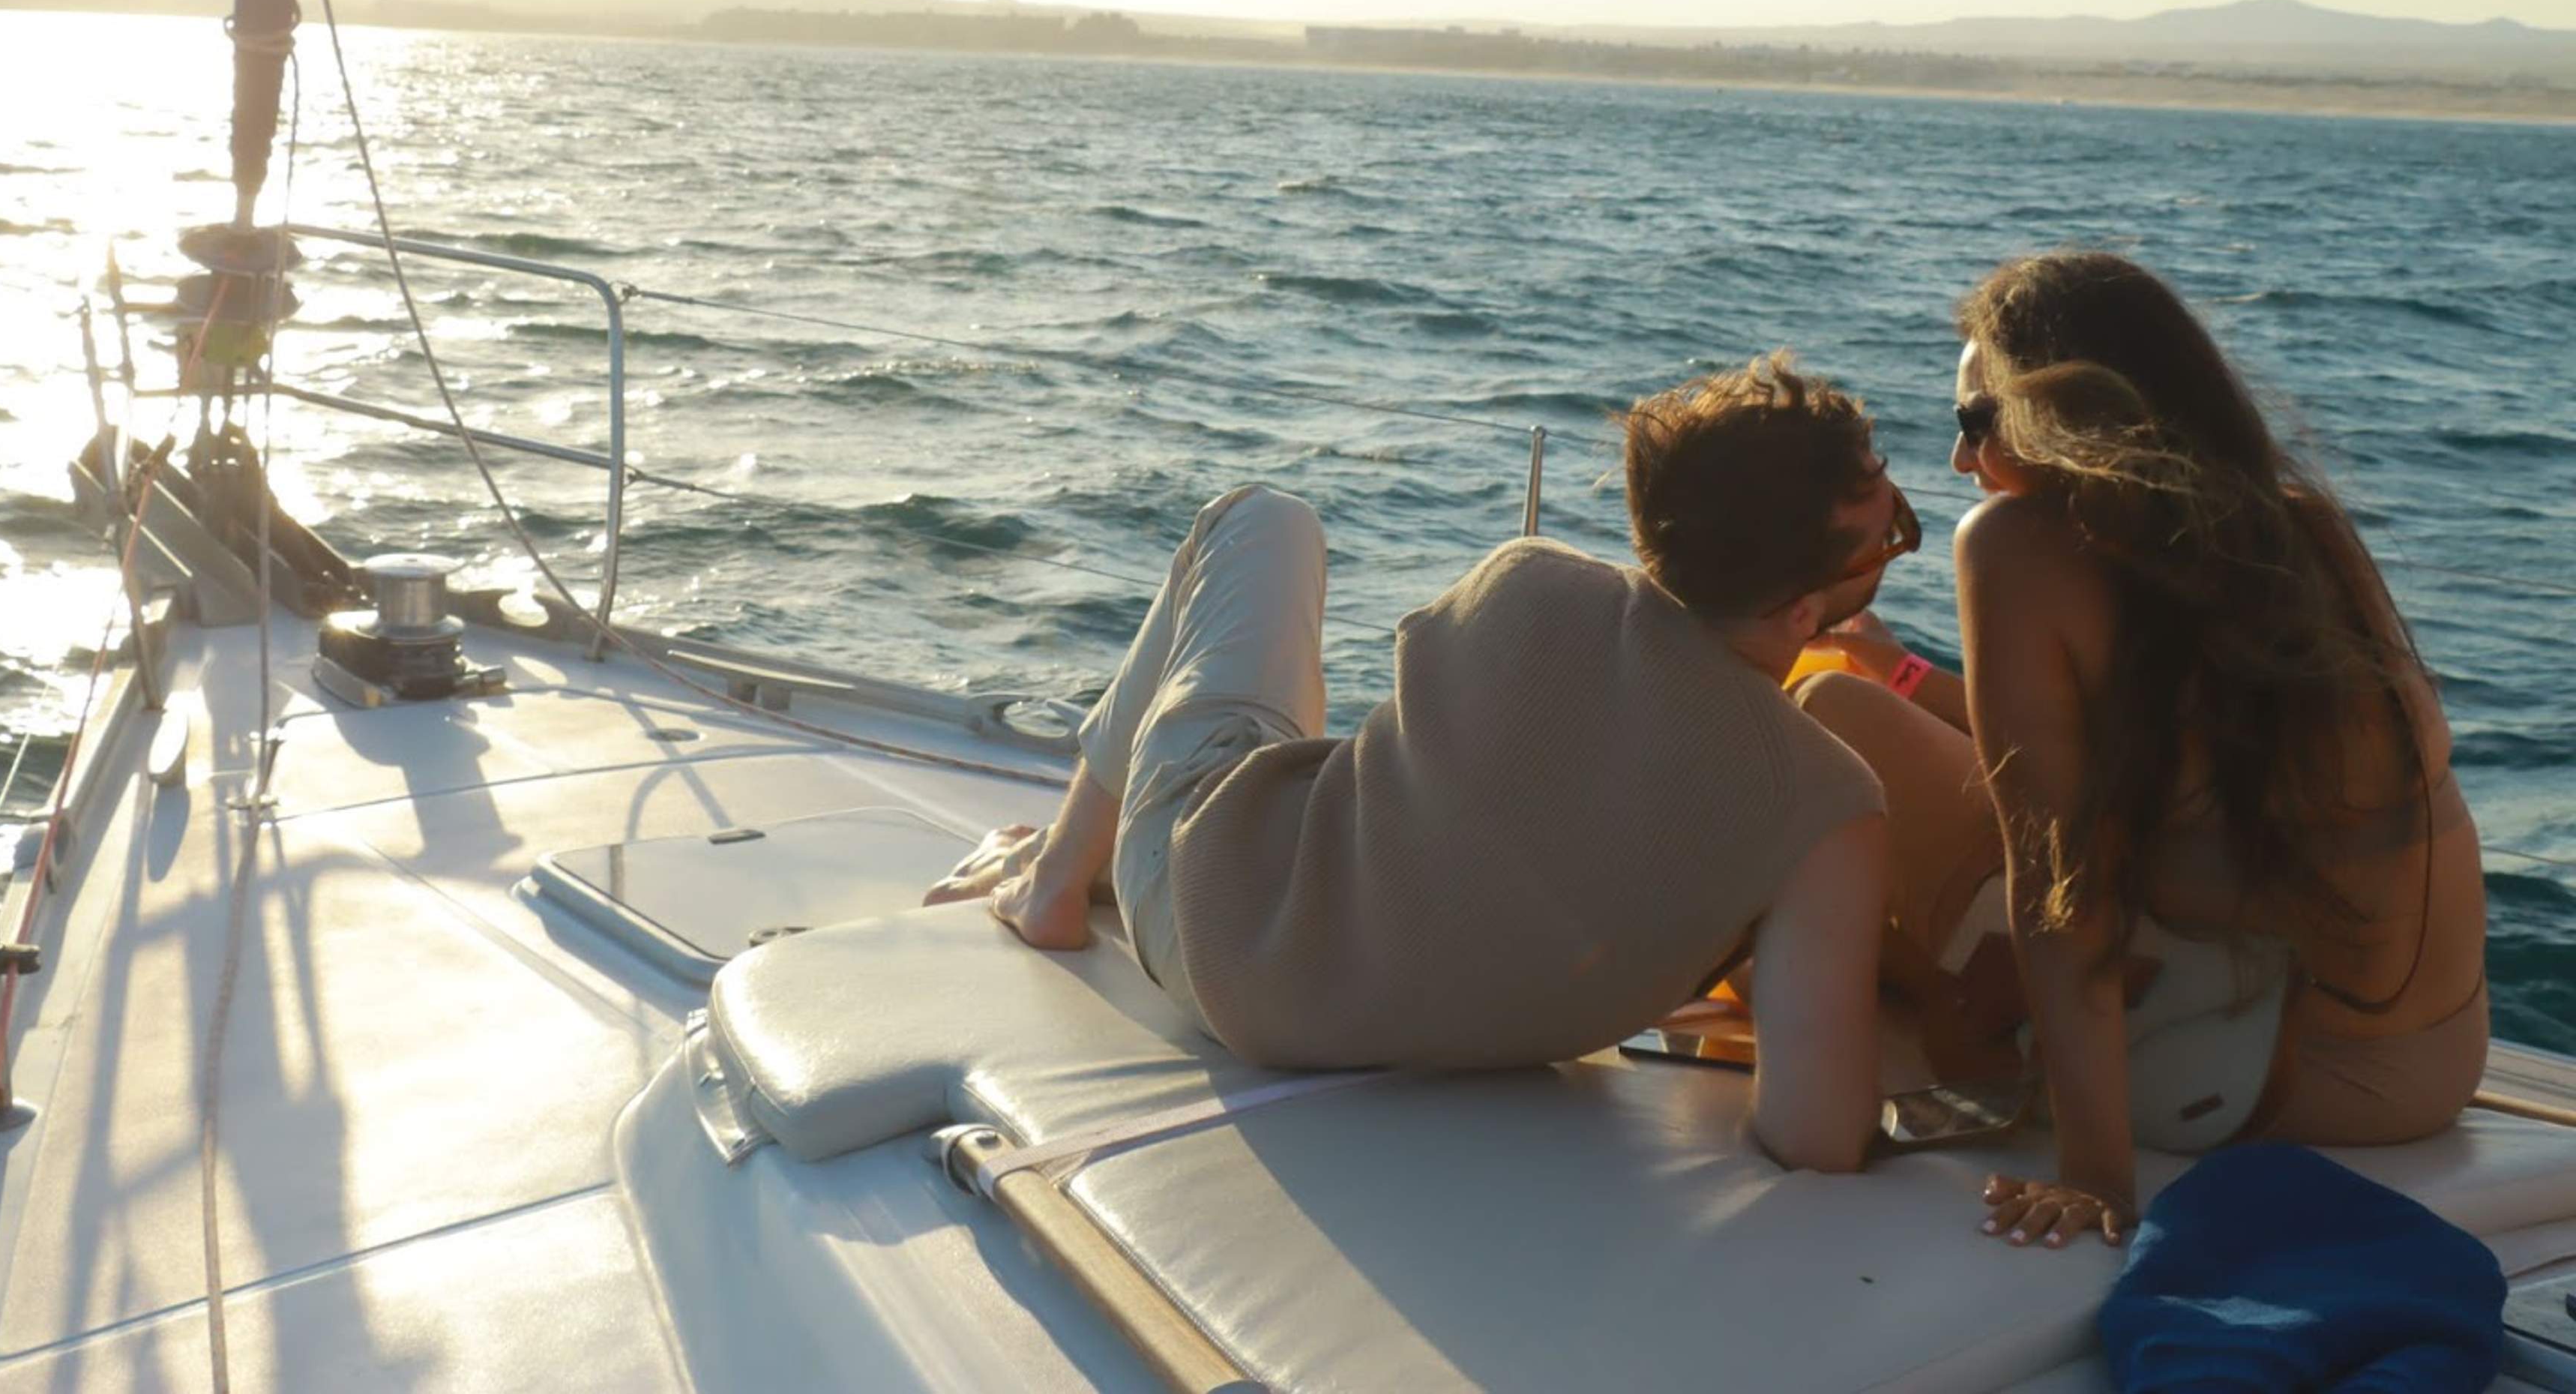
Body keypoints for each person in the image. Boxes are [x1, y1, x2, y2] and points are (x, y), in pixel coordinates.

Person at [926, 355, 1905, 1172]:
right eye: (1892, 536)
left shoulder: (1526, 585)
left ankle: (1061, 878)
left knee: (1265, 521)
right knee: (1265, 602)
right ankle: (1060, 879)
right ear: (1802, 613)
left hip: (1210, 921)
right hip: (1279, 962)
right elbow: (1813, 1137)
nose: (1902, 536)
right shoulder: (1830, 807)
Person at [1799, 252, 2486, 1252]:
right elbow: (2122, 763)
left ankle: (1943, 1019)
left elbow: (2058, 881)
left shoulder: (2014, 543)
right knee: (1872, 712)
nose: (1961, 465)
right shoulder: (2301, 531)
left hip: (2263, 1076)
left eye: (1974, 424)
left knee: (1830, 716)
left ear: (2053, 414)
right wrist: (1906, 675)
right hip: (2434, 1064)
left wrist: (2095, 1175)